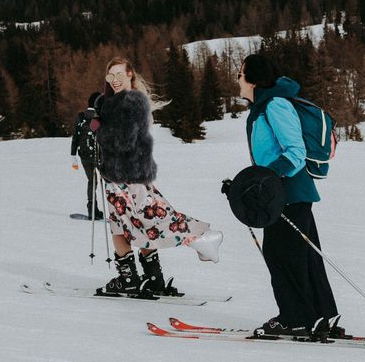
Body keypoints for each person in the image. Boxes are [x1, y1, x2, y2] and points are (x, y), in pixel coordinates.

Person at [91, 57, 223, 295]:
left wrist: (100, 126)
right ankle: (154, 279)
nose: (115, 81)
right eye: (110, 77)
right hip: (129, 175)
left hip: (125, 177)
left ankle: (132, 277)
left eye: (119, 75)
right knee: (141, 224)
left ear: (130, 74)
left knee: (129, 225)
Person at [238, 53, 341, 339]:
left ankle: (295, 318)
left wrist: (264, 179)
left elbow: (294, 152)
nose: (237, 79)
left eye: (240, 73)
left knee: (282, 255)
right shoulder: (263, 107)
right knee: (302, 256)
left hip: (287, 193)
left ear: (253, 79)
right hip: (281, 193)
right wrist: (248, 183)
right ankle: (320, 316)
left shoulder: (275, 105)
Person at [70, 92, 103, 220]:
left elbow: (75, 137)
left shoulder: (81, 116)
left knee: (92, 181)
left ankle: (92, 210)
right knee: (109, 182)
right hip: (99, 156)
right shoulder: (100, 116)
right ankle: (116, 211)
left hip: (84, 156)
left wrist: (73, 156)